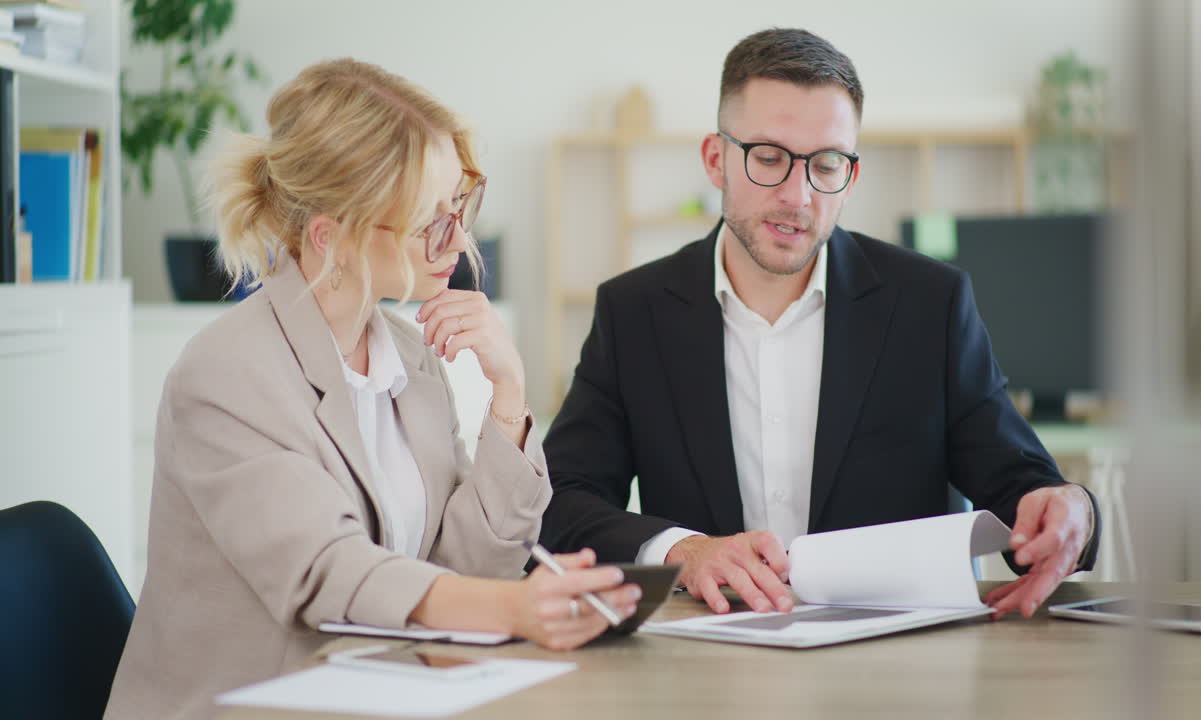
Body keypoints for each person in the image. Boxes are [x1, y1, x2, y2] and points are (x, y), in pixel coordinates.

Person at [106, 59, 638, 720]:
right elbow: (327, 572)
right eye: (430, 222)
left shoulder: (408, 355)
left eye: (459, 208)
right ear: (333, 235)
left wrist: (508, 395)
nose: (460, 240)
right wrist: (514, 610)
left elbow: (462, 563)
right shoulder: (224, 375)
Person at [539, 28, 1099, 621]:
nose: (797, 195)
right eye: (769, 158)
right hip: (707, 654)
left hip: (895, 659)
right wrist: (683, 549)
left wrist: (1072, 512)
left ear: (850, 177)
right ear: (715, 159)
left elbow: (1021, 486)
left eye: (826, 164)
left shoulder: (930, 304)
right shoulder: (634, 313)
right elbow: (562, 503)